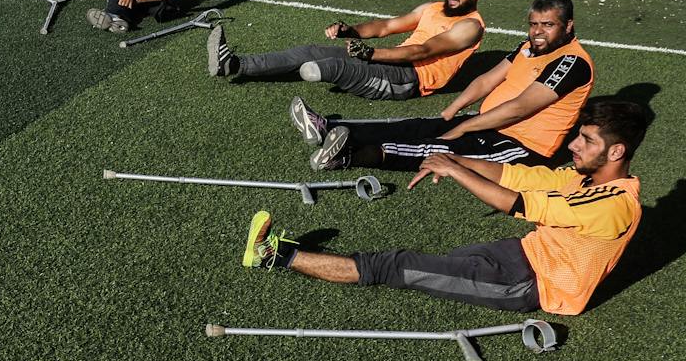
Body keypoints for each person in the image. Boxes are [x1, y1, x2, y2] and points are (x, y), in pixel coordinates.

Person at [243, 97, 650, 316]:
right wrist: (454, 160)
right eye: (578, 136)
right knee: (438, 266)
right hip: (521, 253)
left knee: (394, 264)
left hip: (533, 286)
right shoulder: (581, 178)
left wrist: (455, 172)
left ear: (617, 150)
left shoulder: (614, 205)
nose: (574, 145)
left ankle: (275, 255)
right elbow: (514, 176)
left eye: (587, 141)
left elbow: (517, 202)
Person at [302, 0, 592, 173]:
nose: (538, 32)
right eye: (534, 24)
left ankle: (346, 157)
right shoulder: (527, 46)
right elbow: (487, 80)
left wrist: (464, 126)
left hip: (520, 145)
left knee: (433, 148)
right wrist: (453, 111)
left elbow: (519, 108)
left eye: (548, 25)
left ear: (568, 26)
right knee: (420, 125)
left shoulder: (571, 62)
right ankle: (329, 128)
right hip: (490, 122)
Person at [211, 0, 490, 102]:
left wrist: (371, 54)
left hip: (409, 79)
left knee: (326, 67)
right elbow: (386, 26)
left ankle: (324, 92)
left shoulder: (470, 27)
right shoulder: (432, 7)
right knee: (309, 52)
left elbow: (423, 50)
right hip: (386, 60)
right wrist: (350, 31)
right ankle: (235, 64)